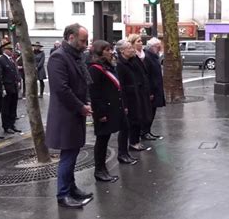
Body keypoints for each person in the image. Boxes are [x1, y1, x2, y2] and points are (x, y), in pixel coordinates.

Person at [46, 23, 94, 209]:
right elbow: (61, 89)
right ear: (71, 37)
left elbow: (83, 84)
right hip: (66, 116)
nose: (85, 44)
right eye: (82, 41)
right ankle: (63, 194)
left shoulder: (75, 57)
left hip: (74, 113)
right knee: (68, 156)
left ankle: (71, 189)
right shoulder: (59, 57)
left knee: (72, 154)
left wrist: (86, 103)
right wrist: (81, 107)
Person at [88, 40, 138, 182]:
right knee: (102, 141)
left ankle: (114, 161)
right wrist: (100, 114)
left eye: (111, 49)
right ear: (99, 52)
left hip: (115, 107)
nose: (111, 52)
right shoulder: (95, 69)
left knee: (120, 130)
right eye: (107, 50)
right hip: (104, 111)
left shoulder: (108, 67)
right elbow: (95, 93)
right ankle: (100, 170)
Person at [116, 35, 152, 152]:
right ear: (122, 51)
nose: (132, 50)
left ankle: (135, 141)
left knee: (137, 119)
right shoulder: (121, 65)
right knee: (132, 122)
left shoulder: (132, 61)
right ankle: (132, 143)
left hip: (136, 94)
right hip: (129, 97)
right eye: (129, 48)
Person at [142, 37, 165, 140]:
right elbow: (147, 76)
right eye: (157, 46)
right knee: (149, 112)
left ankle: (147, 131)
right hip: (152, 89)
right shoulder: (148, 57)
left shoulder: (153, 56)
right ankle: (145, 132)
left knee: (152, 111)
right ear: (152, 47)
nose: (159, 48)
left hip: (156, 88)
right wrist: (150, 92)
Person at [0, 42, 21, 134]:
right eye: (10, 50)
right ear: (4, 50)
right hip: (7, 87)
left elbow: (15, 72)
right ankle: (6, 126)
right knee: (6, 108)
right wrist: (2, 88)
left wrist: (18, 80)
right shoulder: (1, 59)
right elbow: (0, 75)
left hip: (14, 86)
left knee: (13, 107)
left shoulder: (11, 59)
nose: (11, 51)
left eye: (12, 49)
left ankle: (12, 124)